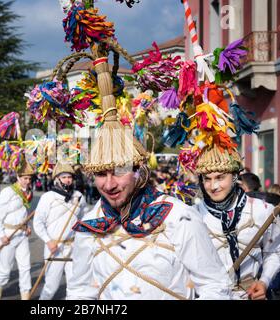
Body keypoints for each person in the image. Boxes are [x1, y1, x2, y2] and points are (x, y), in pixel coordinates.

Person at [66, 55, 232, 300]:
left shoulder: (178, 216)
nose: (109, 184)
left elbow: (214, 287)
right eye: (100, 174)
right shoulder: (89, 225)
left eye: (120, 171)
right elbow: (80, 293)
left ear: (138, 172)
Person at [194, 147, 280, 300]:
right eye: (207, 179)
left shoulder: (262, 210)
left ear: (234, 177)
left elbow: (278, 251)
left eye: (220, 177)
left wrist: (264, 281)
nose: (213, 186)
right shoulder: (192, 215)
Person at [33, 163, 86, 299]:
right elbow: (38, 223)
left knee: (74, 285)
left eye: (70, 177)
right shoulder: (48, 197)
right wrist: (48, 240)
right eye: (64, 177)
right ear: (57, 179)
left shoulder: (79, 196)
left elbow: (83, 220)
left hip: (73, 247)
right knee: (51, 286)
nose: (68, 180)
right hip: (54, 247)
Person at [0, 159, 34, 300]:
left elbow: (23, 213)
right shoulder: (8, 192)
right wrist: (1, 235)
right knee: (5, 269)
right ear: (18, 177)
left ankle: (25, 295)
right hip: (8, 234)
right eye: (25, 178)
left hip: (21, 234)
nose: (27, 181)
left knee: (25, 266)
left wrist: (27, 227)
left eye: (29, 178)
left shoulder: (28, 192)